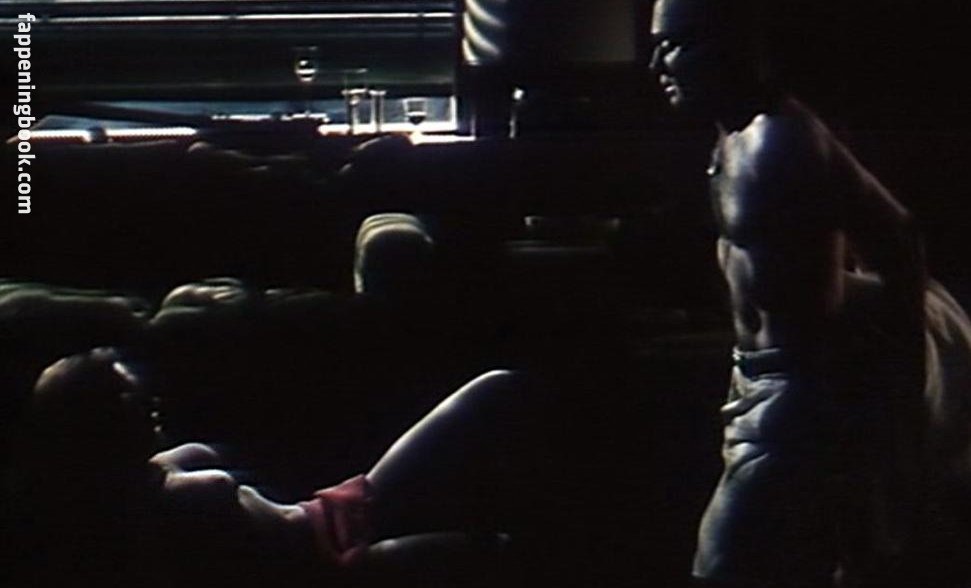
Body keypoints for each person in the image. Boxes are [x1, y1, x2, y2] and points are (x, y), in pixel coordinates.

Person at [648, 1, 971, 587]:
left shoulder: (783, 141)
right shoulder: (737, 133)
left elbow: (896, 238)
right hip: (762, 385)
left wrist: (904, 374)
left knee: (724, 564)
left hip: (796, 398)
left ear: (735, 44)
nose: (658, 64)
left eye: (677, 44)